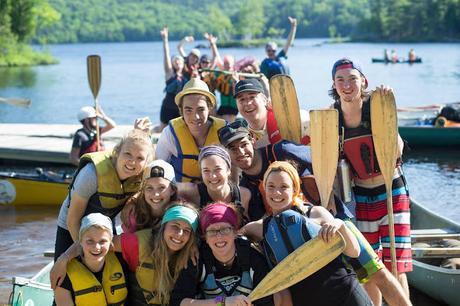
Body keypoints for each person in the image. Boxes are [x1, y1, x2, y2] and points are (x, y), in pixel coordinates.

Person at [329, 58, 412, 301]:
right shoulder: (332, 118)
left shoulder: (375, 106)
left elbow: (397, 151)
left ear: (363, 81)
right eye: (340, 80)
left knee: (396, 261)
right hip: (360, 196)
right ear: (333, 85)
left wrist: (387, 110)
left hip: (392, 189)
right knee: (370, 265)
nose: (347, 85)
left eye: (352, 79)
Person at [241, 161, 372, 306]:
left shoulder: (315, 213)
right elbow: (229, 238)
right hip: (305, 301)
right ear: (264, 189)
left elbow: (354, 252)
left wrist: (340, 225)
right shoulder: (258, 229)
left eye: (284, 187)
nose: (276, 192)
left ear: (295, 189)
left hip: (345, 294)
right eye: (271, 186)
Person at [52, 203, 199, 306]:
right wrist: (63, 259)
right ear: (164, 227)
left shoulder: (195, 256)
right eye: (175, 226)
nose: (179, 235)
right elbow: (98, 241)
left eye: (187, 231)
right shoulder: (135, 244)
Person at [54, 129, 154, 261]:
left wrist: (132, 202)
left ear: (146, 162)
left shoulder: (142, 177)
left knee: (115, 273)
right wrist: (84, 254)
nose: (132, 161)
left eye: (140, 158)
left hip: (104, 222)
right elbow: (72, 220)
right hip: (72, 226)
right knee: (69, 275)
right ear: (117, 152)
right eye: (127, 154)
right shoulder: (90, 175)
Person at [170, 202, 275, 306]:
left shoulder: (253, 258)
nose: (219, 236)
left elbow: (266, 301)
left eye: (224, 229)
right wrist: (222, 302)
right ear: (205, 237)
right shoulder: (197, 259)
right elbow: (178, 301)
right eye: (212, 231)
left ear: (235, 232)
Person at [218, 119, 313, 220]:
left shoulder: (282, 151)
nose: (241, 152)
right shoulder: (246, 189)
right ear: (227, 153)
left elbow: (319, 159)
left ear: (253, 140)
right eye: (233, 149)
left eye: (244, 144)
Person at [155, 78, 226, 182]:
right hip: (183, 193)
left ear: (210, 108)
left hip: (216, 191)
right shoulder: (170, 133)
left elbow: (235, 168)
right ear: (181, 110)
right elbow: (159, 166)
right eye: (188, 110)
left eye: (201, 109)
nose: (195, 117)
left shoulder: (224, 131)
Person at [54, 213, 128, 306]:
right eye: (90, 241)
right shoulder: (64, 274)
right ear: (80, 241)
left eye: (102, 241)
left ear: (111, 242)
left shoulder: (122, 262)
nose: (96, 247)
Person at [178, 145, 251, 219]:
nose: (213, 176)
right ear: (201, 173)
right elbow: (170, 186)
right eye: (206, 170)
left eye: (217, 169)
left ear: (228, 170)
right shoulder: (192, 193)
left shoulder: (244, 195)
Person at [234, 78, 310, 148]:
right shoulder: (242, 137)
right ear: (237, 105)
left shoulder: (292, 119)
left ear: (264, 100)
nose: (248, 103)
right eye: (242, 99)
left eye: (252, 97)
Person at [120, 159, 178, 233]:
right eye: (149, 188)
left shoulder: (179, 212)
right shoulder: (134, 214)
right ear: (143, 191)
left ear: (172, 190)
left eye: (161, 188)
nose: (156, 194)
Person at [158, 27, 188, 132]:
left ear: (183, 63)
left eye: (179, 60)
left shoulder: (187, 75)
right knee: (162, 130)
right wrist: (165, 39)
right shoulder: (170, 74)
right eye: (175, 60)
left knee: (179, 131)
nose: (177, 62)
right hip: (167, 107)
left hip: (179, 109)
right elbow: (166, 55)